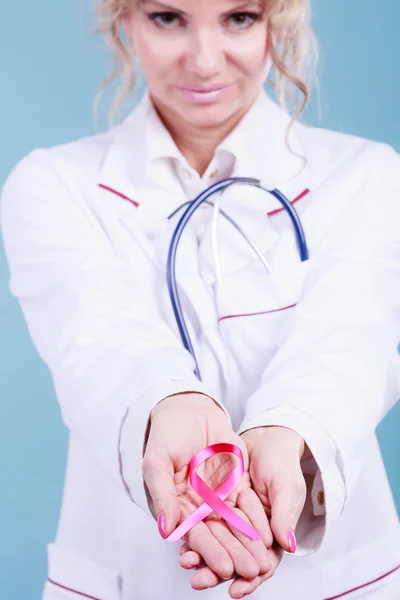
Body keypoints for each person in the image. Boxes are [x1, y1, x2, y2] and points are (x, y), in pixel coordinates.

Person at [1, 0, 399, 598]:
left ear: (276, 22)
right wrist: (172, 405)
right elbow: (98, 341)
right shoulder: (53, 184)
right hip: (130, 577)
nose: (205, 60)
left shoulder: (368, 175)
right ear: (123, 21)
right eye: (168, 18)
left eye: (239, 17)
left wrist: (286, 432)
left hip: (333, 579)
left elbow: (349, 343)